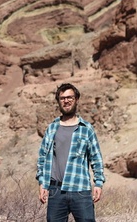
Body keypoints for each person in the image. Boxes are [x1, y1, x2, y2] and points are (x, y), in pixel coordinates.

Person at [36, 83, 105, 222]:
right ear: (58, 101)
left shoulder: (86, 129)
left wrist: (98, 183)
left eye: (69, 97)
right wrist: (43, 183)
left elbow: (96, 158)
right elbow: (42, 158)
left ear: (76, 99)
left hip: (81, 190)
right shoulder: (52, 128)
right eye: (62, 98)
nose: (66, 101)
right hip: (56, 191)